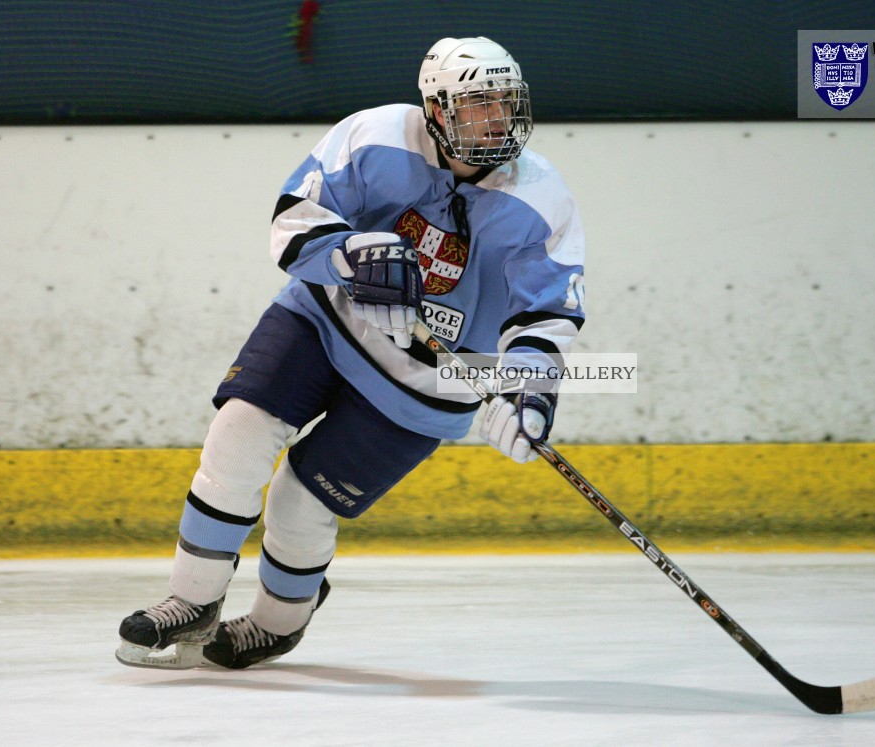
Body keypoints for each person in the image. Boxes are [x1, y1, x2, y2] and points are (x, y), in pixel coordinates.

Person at [115, 36, 585, 670]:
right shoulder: (375, 136)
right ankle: (191, 600)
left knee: (298, 501)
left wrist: (530, 388)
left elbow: (547, 311)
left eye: (505, 104)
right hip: (323, 322)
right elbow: (293, 217)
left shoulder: (541, 198)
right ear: (437, 110)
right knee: (238, 434)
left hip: (433, 384)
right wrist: (352, 253)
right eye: (478, 106)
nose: (496, 121)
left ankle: (278, 623)